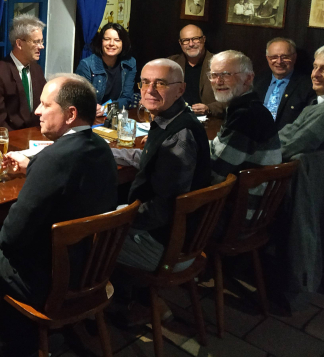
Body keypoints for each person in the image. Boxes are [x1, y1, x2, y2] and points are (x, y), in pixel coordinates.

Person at [0, 75, 117, 307]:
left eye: (45, 105)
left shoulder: (52, 160)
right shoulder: (101, 147)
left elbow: (10, 238)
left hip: (50, 281)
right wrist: (32, 165)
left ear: (70, 114)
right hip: (90, 270)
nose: (37, 111)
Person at [116, 59, 211, 274]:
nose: (150, 90)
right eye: (145, 82)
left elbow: (163, 208)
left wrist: (118, 222)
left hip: (167, 246)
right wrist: (108, 153)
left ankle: (120, 293)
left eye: (160, 83)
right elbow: (153, 159)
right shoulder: (173, 118)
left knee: (82, 241)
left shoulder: (179, 135)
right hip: (172, 234)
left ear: (181, 90)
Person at [207, 51, 281, 185]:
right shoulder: (245, 106)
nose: (218, 81)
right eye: (214, 75)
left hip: (246, 195)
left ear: (248, 78)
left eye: (226, 74)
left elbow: (218, 172)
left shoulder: (246, 114)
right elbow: (219, 147)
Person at [0, 15, 47, 130]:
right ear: (19, 44)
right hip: (11, 137)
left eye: (41, 41)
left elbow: (44, 106)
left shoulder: (37, 70)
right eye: (36, 42)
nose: (41, 46)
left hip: (37, 134)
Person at [253, 38, 316, 130]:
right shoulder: (258, 81)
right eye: (274, 57)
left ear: (294, 57)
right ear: (267, 58)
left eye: (285, 57)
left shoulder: (308, 86)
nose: (279, 61)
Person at [75, 22, 137, 112]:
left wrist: (106, 109)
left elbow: (127, 98)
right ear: (101, 41)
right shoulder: (86, 65)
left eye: (117, 40)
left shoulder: (130, 63)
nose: (111, 43)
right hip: (92, 115)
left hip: (116, 114)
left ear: (123, 43)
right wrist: (96, 108)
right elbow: (80, 98)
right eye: (107, 39)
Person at [168, 24, 225, 118]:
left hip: (209, 121)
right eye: (186, 40)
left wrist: (209, 108)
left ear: (203, 39)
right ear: (180, 43)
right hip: (176, 118)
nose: (191, 44)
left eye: (195, 39)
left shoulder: (221, 64)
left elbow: (232, 100)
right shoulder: (171, 63)